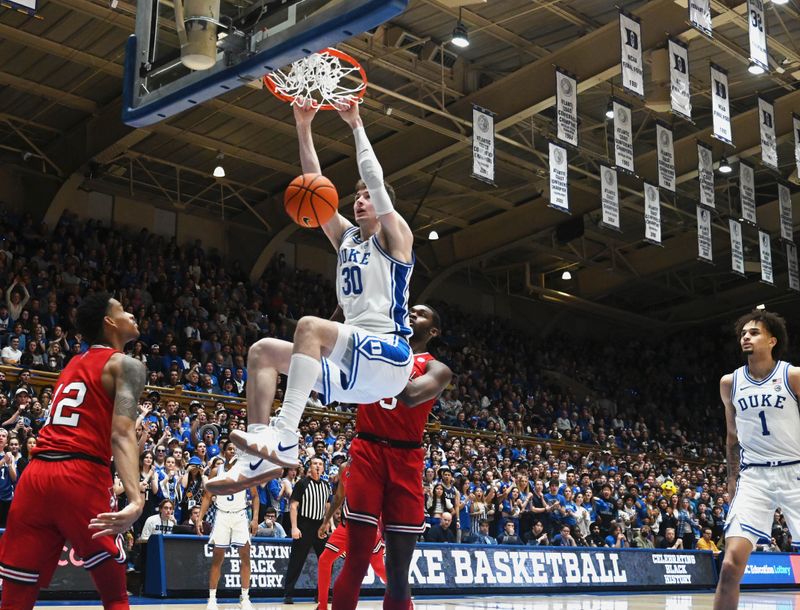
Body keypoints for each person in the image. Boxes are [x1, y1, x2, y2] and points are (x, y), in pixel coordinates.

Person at [208, 97, 416, 490]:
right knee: (261, 352)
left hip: (390, 354)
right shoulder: (348, 238)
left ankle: (286, 437)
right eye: (356, 196)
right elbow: (314, 187)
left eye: (367, 196)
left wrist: (355, 124)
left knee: (309, 327)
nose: (359, 199)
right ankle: (255, 459)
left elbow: (374, 177)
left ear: (382, 204)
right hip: (355, 369)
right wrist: (303, 127)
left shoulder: (396, 237)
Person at [0, 293, 145, 610]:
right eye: (123, 310)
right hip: (79, 476)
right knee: (116, 595)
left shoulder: (72, 364)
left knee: (16, 597)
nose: (131, 314)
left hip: (35, 477)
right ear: (109, 322)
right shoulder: (128, 365)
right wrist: (135, 499)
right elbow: (121, 434)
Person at [332, 304, 451, 610]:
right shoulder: (378, 345)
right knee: (356, 561)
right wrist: (345, 308)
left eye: (422, 313)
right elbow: (328, 341)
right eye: (410, 309)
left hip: (406, 459)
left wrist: (377, 360)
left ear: (433, 331)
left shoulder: (437, 368)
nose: (412, 314)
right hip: (367, 451)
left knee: (398, 573)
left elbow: (411, 395)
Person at [714, 310, 800, 610]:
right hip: (754, 477)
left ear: (772, 340)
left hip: (795, 473)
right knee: (729, 566)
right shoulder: (730, 382)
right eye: (743, 334)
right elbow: (732, 438)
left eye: (754, 332)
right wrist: (732, 480)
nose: (746, 337)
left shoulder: (793, 376)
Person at [196, 442, 259, 610]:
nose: (233, 451)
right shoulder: (217, 471)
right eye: (230, 448)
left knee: (245, 557)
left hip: (240, 516)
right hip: (222, 516)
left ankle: (245, 598)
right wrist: (200, 518)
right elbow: (207, 497)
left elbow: (255, 496)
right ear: (224, 452)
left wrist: (254, 519)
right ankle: (212, 598)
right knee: (217, 558)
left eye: (236, 449)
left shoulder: (246, 472)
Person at [316, 462, 386, 610]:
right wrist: (326, 521)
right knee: (324, 560)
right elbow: (339, 496)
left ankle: (405, 599)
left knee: (379, 568)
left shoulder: (375, 468)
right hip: (345, 527)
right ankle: (322, 606)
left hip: (367, 528)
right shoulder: (344, 467)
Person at [284, 456, 331, 605]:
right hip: (304, 525)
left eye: (320, 464)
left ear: (323, 468)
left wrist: (327, 523)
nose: (317, 466)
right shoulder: (302, 483)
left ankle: (321, 594)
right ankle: (288, 593)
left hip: (319, 526)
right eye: (314, 464)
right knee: (296, 561)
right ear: (309, 467)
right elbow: (293, 506)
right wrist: (294, 527)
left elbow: (328, 506)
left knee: (326, 561)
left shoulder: (326, 485)